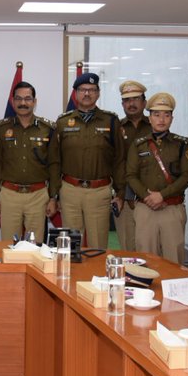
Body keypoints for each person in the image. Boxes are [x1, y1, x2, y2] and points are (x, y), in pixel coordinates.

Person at [56, 72, 124, 250]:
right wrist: (54, 194)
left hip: (99, 192)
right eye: (83, 90)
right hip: (69, 191)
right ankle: (70, 277)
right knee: (70, 247)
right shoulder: (63, 122)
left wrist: (120, 192)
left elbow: (119, 158)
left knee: (97, 247)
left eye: (91, 90)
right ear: (76, 93)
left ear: (98, 93)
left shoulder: (111, 121)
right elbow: (55, 160)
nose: (87, 94)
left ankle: (96, 277)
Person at [0, 81, 59, 243]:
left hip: (38, 196)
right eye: (19, 99)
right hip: (9, 195)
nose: (23, 103)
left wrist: (53, 197)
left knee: (35, 247)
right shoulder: (2, 128)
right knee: (8, 246)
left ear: (34, 102)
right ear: (13, 102)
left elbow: (54, 165)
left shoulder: (47, 128)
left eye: (28, 99)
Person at [125, 92, 188, 262]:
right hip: (145, 209)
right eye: (156, 114)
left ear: (172, 118)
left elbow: (187, 176)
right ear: (150, 118)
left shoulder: (182, 144)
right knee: (145, 260)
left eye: (166, 115)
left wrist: (162, 195)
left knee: (174, 260)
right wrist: (147, 197)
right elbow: (131, 175)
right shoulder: (139, 144)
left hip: (172, 208)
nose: (161, 119)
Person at [116, 80, 150, 251]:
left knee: (150, 249)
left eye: (136, 99)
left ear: (144, 102)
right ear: (122, 104)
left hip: (150, 199)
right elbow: (114, 163)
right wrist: (120, 193)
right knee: (128, 248)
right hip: (124, 198)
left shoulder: (154, 127)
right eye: (127, 100)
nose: (131, 104)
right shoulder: (116, 129)